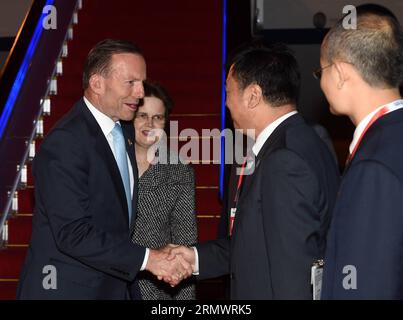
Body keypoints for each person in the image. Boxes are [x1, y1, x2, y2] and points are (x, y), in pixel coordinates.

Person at [16, 39, 191, 300]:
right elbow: (73, 233)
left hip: (113, 286)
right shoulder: (66, 142)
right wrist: (148, 259)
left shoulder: (124, 130)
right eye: (130, 82)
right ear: (97, 83)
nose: (141, 92)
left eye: (141, 82)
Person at [167, 44, 340, 299]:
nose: (226, 103)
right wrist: (194, 257)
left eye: (228, 93)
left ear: (253, 96)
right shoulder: (305, 142)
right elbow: (256, 245)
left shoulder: (284, 160)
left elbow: (292, 273)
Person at [318, 12, 403, 299]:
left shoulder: (374, 163)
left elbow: (364, 283)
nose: (322, 83)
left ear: (341, 73)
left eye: (322, 71)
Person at [131, 81, 197, 299]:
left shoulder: (178, 171)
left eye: (157, 117)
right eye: (142, 115)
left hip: (154, 288)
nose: (149, 123)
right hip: (105, 283)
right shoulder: (107, 161)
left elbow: (184, 242)